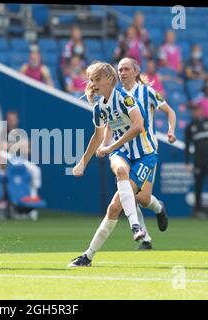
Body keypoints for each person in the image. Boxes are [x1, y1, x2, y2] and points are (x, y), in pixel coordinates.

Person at [68, 61, 155, 267]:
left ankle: (88, 256)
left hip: (145, 155)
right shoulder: (99, 108)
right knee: (121, 169)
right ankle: (135, 226)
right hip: (121, 153)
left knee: (114, 208)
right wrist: (83, 162)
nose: (93, 83)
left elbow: (137, 126)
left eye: (97, 79)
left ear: (109, 79)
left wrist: (109, 147)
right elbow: (97, 137)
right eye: (91, 80)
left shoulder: (125, 98)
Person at [117, 57, 177, 250]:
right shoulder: (116, 95)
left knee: (142, 198)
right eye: (120, 69)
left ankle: (158, 207)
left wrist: (171, 131)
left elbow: (170, 111)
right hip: (126, 151)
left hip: (146, 150)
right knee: (129, 193)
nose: (122, 73)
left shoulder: (147, 92)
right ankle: (145, 239)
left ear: (136, 72)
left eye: (126, 69)